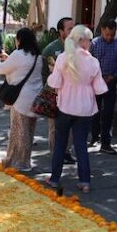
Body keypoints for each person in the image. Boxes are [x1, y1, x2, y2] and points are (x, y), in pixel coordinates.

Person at [47, 25, 108, 193]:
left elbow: (54, 83)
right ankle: (85, 181)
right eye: (89, 40)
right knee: (81, 145)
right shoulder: (93, 62)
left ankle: (54, 178)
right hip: (85, 108)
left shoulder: (63, 58)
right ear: (83, 41)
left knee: (60, 144)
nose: (91, 43)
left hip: (65, 106)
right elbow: (99, 88)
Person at [0, 27, 44, 172]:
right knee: (29, 132)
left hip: (21, 99)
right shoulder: (37, 56)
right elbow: (23, 68)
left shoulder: (18, 54)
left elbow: (1, 69)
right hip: (35, 99)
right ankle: (25, 161)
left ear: (20, 40)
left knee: (18, 132)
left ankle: (17, 161)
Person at [42, 17, 76, 164]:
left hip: (73, 94)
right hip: (55, 93)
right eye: (69, 29)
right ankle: (56, 153)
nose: (72, 31)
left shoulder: (79, 48)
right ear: (61, 31)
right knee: (54, 126)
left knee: (71, 126)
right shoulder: (50, 49)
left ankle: (67, 152)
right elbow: (49, 71)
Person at [89, 19, 117, 154]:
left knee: (109, 113)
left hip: (111, 82)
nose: (109, 37)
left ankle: (106, 142)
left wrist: (114, 76)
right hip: (96, 82)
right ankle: (94, 136)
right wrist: (97, 76)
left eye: (112, 34)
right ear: (102, 30)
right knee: (95, 111)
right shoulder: (95, 43)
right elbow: (89, 60)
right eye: (107, 34)